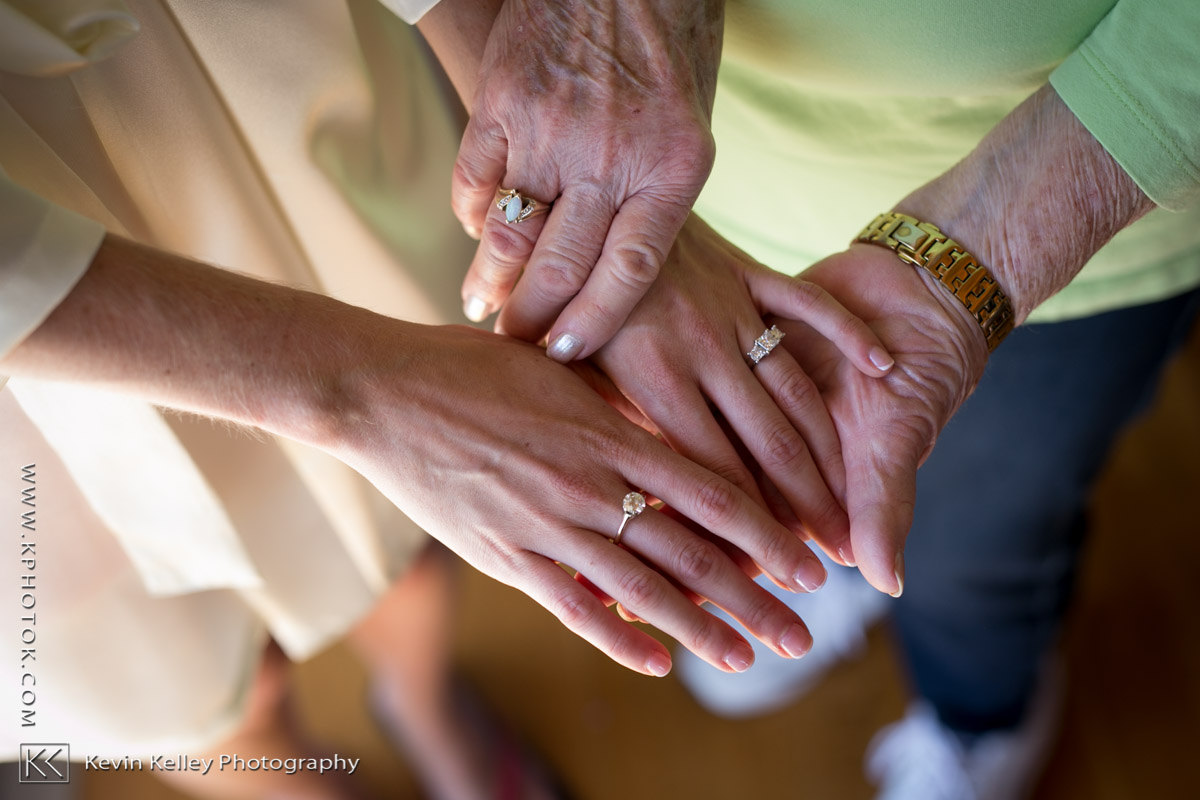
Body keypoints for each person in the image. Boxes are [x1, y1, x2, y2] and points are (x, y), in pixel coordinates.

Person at [0, 1, 890, 798]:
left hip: (249, 96)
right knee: (185, 684)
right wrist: (371, 394)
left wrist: (579, 191)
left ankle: (423, 706)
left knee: (412, 542)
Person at [422, 0, 1200, 797]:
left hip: (1077, 212)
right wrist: (619, 224)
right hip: (710, 207)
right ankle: (832, 559)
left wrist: (977, 260)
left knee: (976, 552)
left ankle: (977, 718)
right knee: (797, 473)